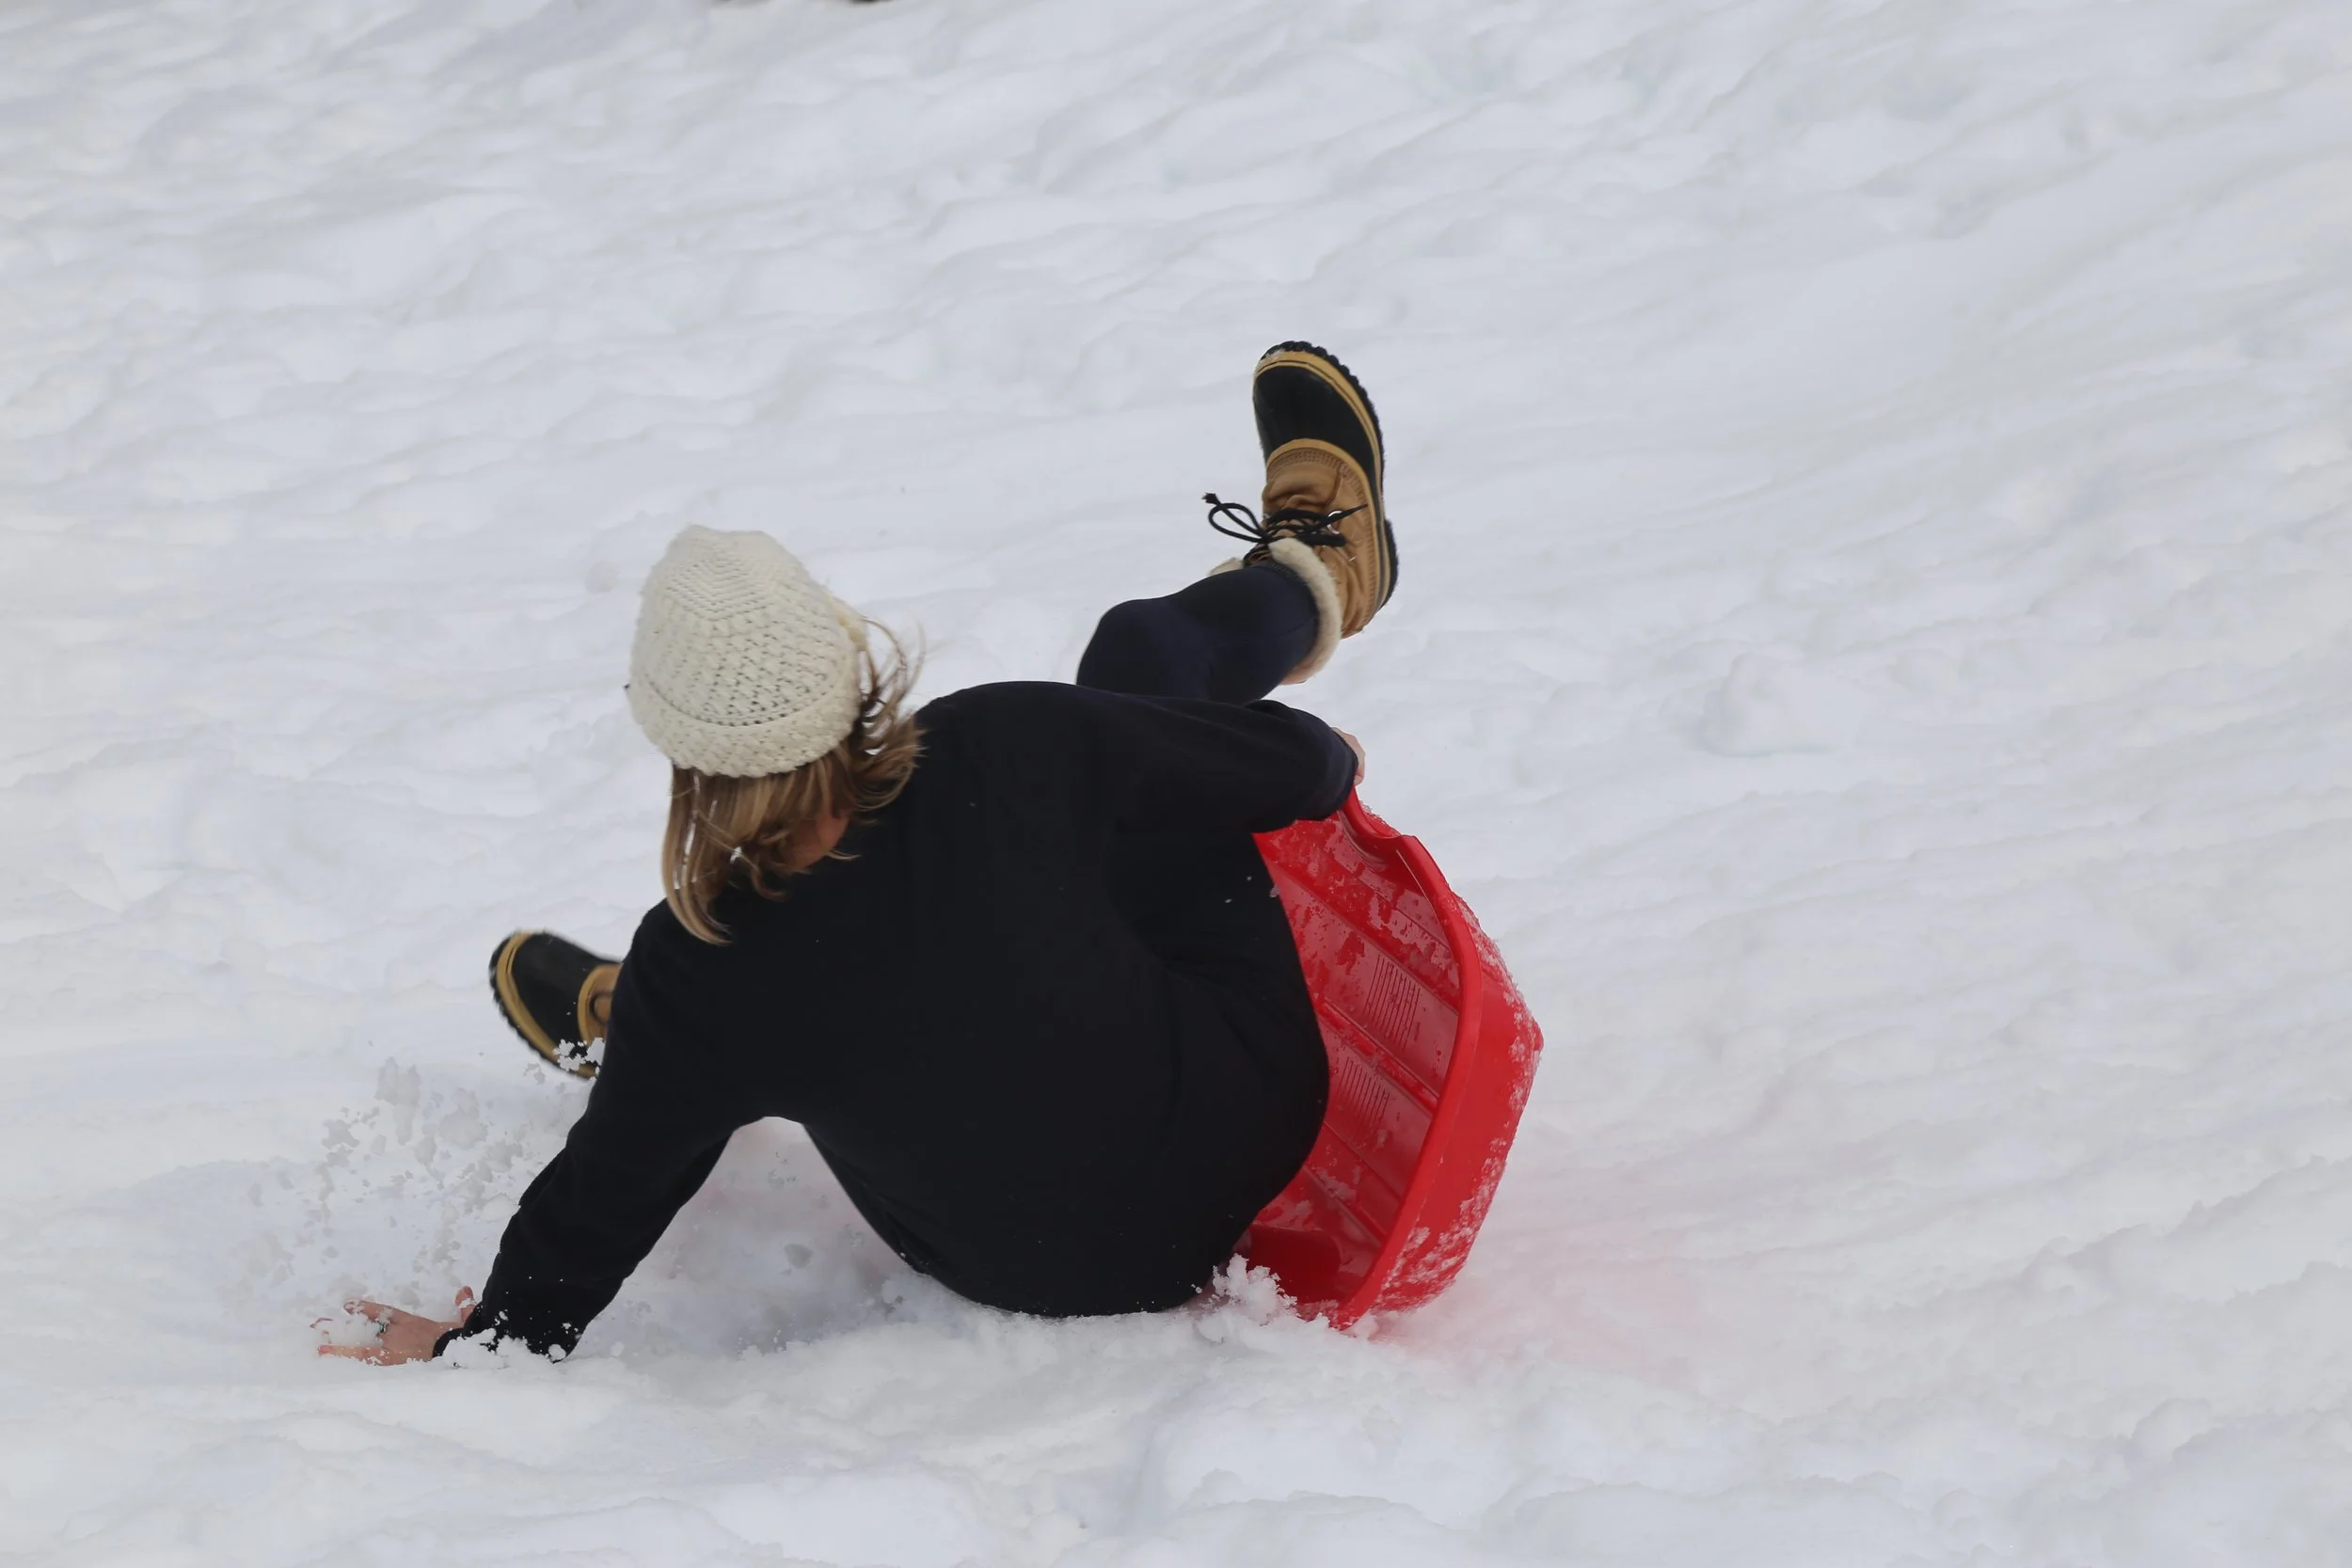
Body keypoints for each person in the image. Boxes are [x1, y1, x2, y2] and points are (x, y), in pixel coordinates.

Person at [323, 342, 1398, 1363]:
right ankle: (1318, 570)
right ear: (844, 667)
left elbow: (600, 1204)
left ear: (682, 753)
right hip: (1252, 1113)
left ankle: (652, 1061)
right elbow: (1300, 766)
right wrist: (1309, 758)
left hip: (1041, 1266)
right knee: (1138, 659)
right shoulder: (1007, 745)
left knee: (738, 1019)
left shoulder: (704, 966)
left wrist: (494, 1342)